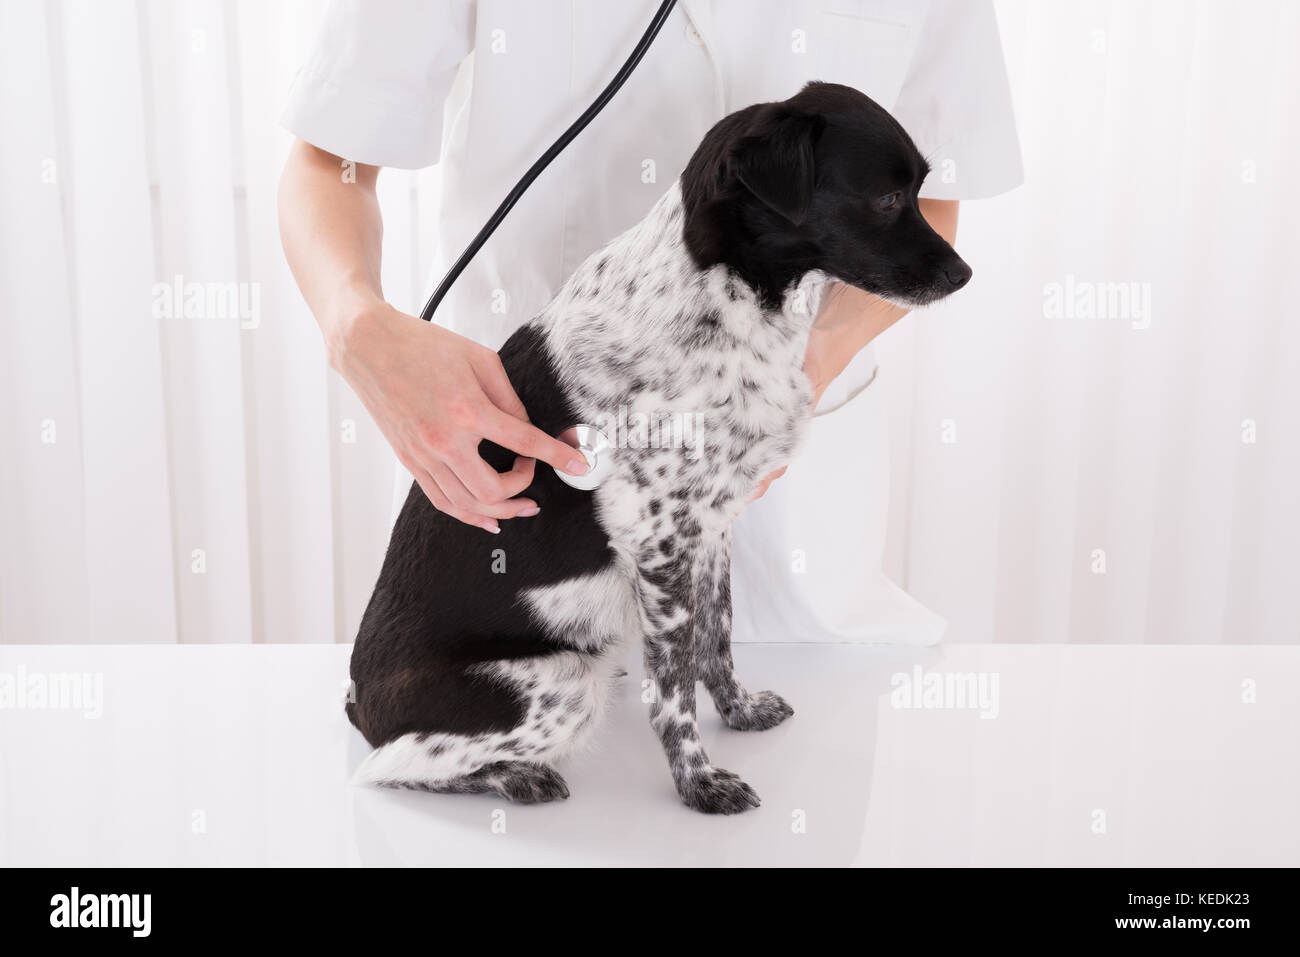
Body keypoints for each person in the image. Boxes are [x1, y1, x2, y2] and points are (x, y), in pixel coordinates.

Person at [277, 0, 1022, 646]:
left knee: (801, 771)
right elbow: (328, 160)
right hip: (531, 478)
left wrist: (799, 373)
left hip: (791, 563)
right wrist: (357, 328)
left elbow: (931, 208)